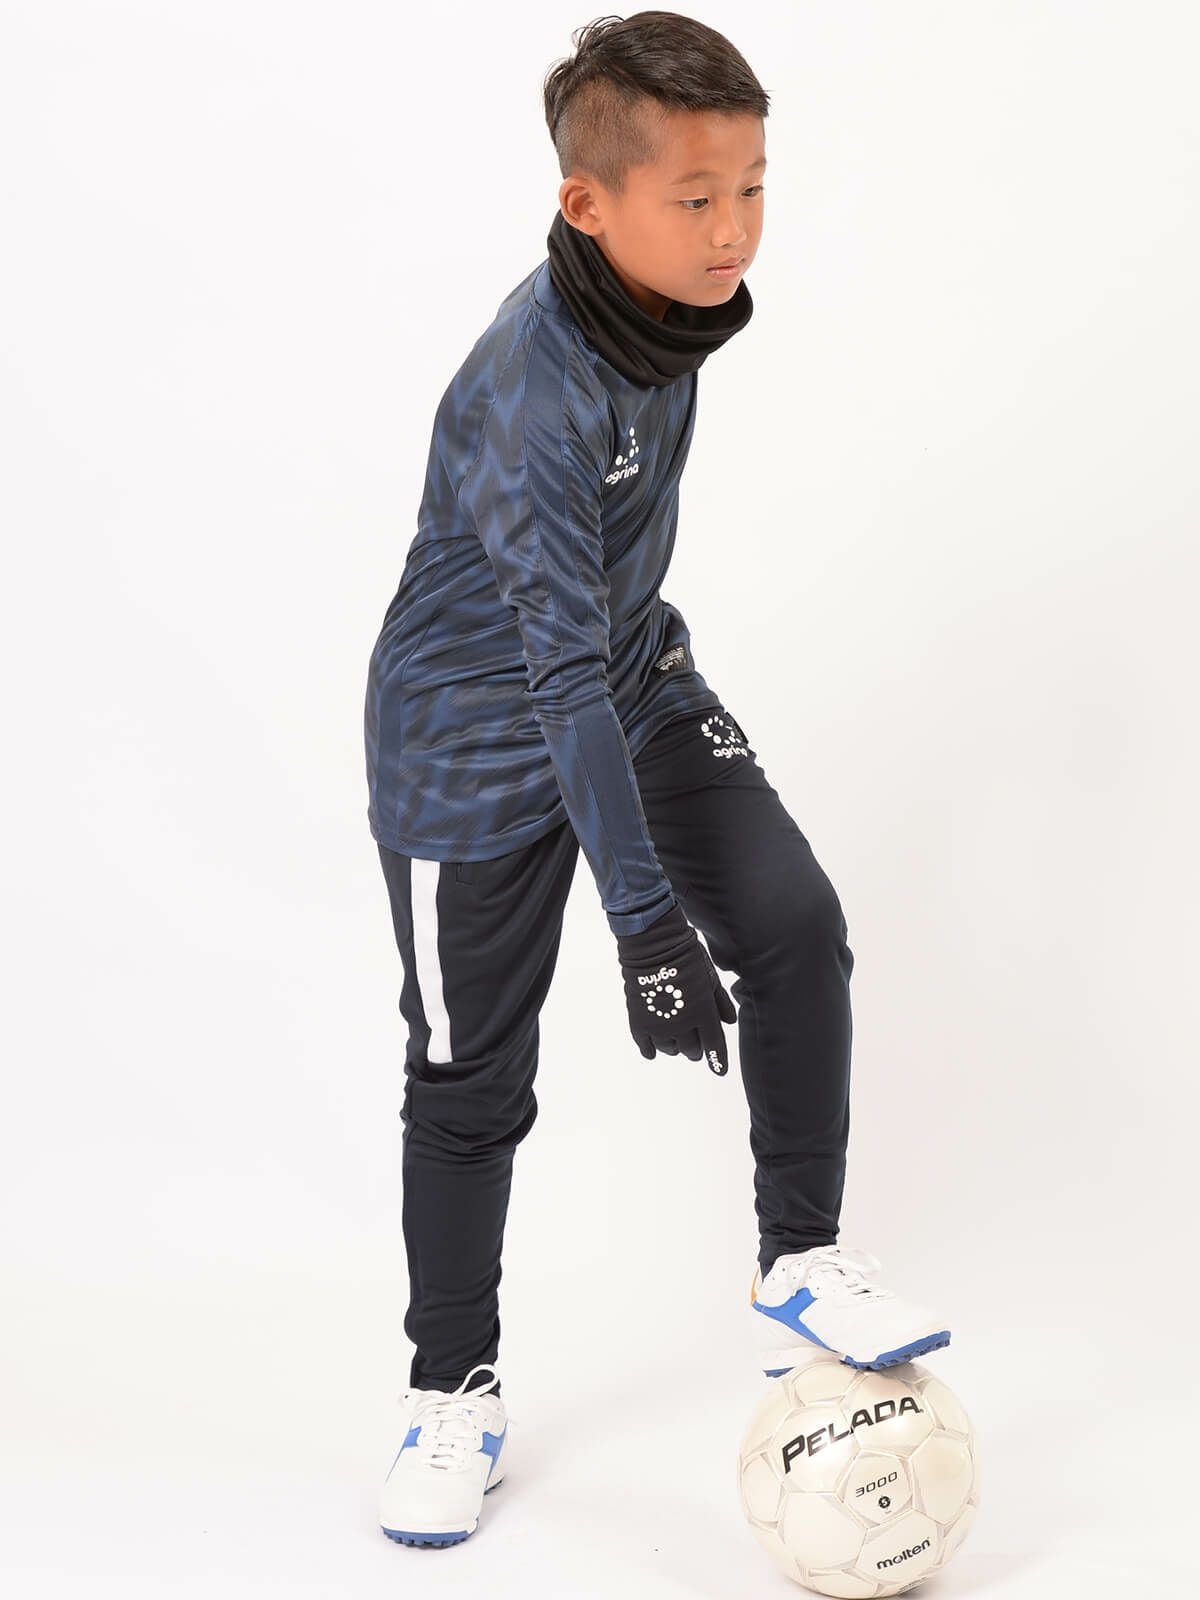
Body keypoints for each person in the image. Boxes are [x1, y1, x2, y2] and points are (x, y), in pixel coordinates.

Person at [365, 11, 951, 1549]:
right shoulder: (532, 390)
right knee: (471, 1082)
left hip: (627, 680)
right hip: (468, 748)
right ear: (587, 205)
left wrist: (677, 894)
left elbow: (598, 660)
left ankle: (799, 1258)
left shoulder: (664, 312)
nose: (733, 229)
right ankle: (450, 1390)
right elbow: (549, 677)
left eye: (750, 187)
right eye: (695, 198)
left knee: (796, 922)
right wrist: (642, 927)